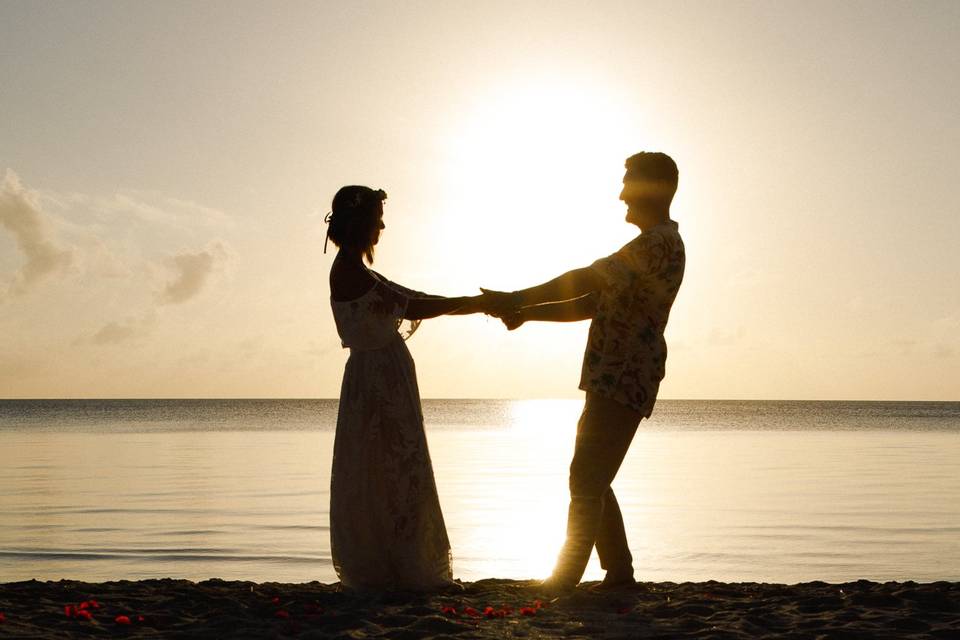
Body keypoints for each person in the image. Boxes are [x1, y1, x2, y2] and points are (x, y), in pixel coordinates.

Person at [483, 152, 685, 591]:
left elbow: (588, 278)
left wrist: (517, 296)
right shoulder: (654, 245)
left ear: (656, 188)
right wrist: (526, 314)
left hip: (625, 374)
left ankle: (567, 577)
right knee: (593, 475)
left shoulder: (656, 245)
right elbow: (591, 304)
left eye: (629, 183)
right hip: (613, 374)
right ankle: (619, 572)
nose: (621, 194)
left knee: (586, 477)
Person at [325, 185, 482, 591]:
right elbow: (411, 304)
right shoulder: (350, 271)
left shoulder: (358, 269)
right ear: (360, 223)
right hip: (377, 381)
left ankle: (398, 560)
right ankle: (401, 564)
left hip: (381, 377)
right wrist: (474, 304)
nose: (381, 224)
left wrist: (466, 302)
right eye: (376, 217)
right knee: (393, 467)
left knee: (390, 467)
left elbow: (411, 297)